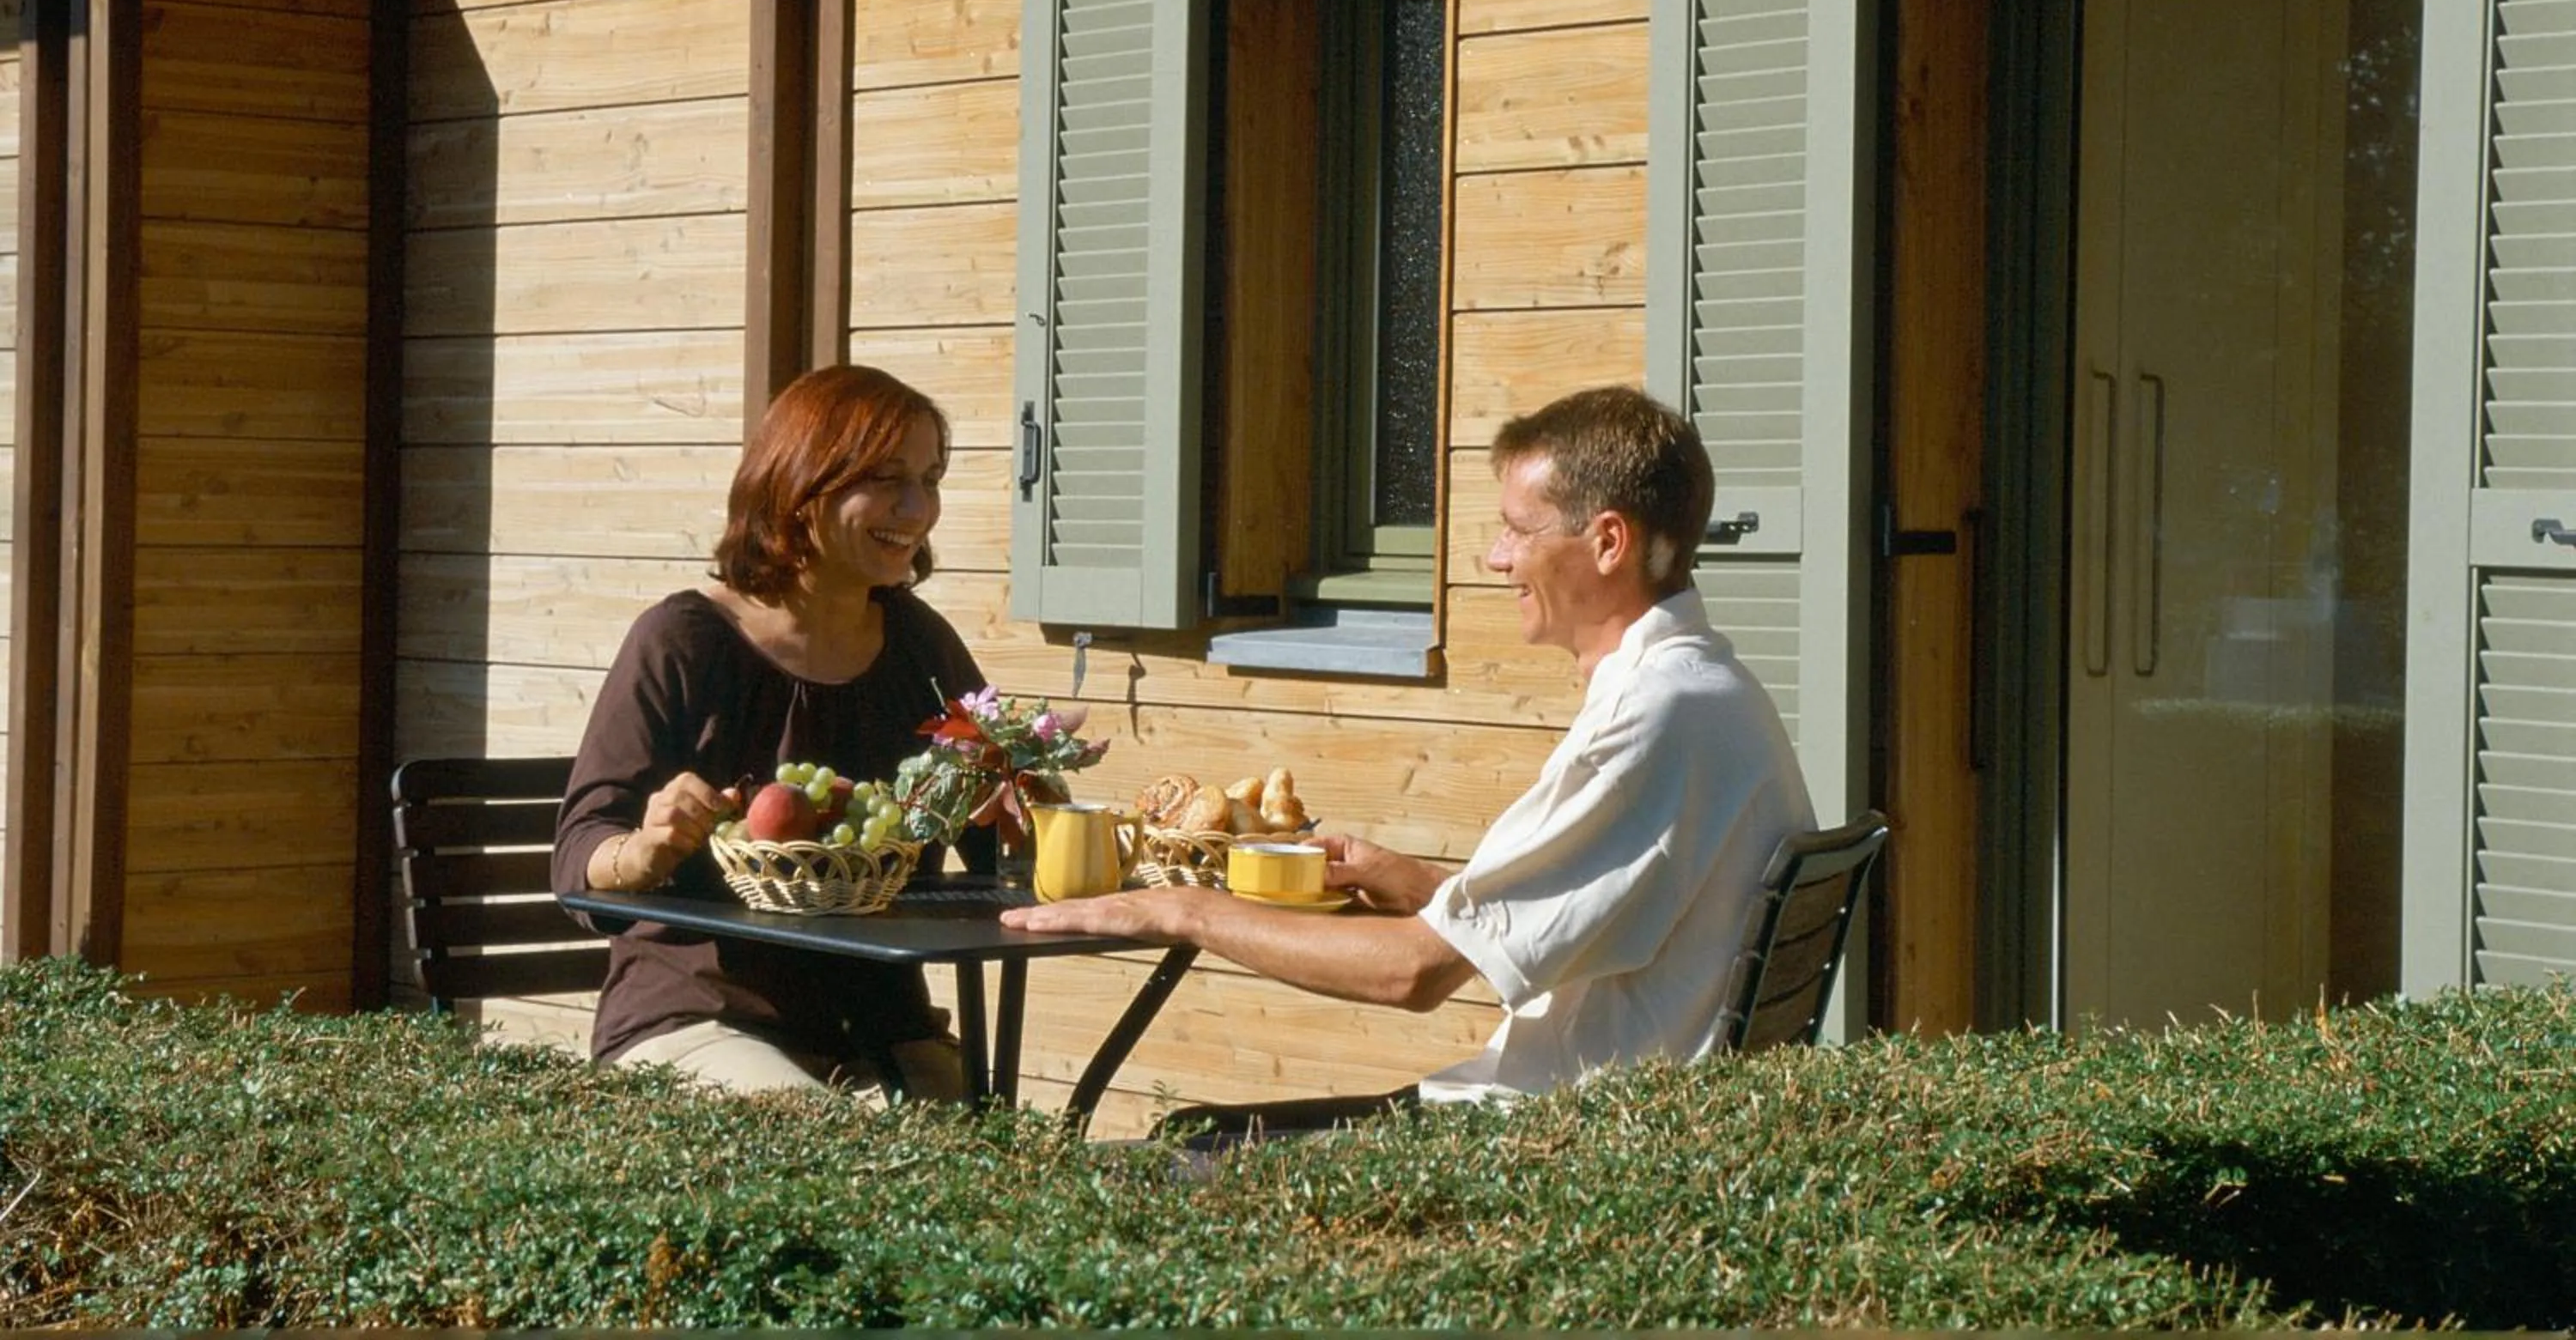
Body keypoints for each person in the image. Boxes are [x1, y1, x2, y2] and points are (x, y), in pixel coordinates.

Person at [1003, 384, 1816, 1116]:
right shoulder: (1704, 688)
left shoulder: (1651, 715)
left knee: (1192, 1142)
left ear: (1608, 542)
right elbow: (1609, 907)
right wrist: (1427, 886)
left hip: (1558, 1139)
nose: (1497, 559)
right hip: (1612, 1115)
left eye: (1515, 530)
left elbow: (1415, 975)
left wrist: (1179, 909)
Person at [552, 363, 993, 1100]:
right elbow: (578, 856)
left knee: (998, 1165)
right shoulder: (684, 640)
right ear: (800, 484)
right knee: (841, 1150)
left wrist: (1037, 805)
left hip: (883, 1031)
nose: (917, 508)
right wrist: (645, 847)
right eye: (886, 478)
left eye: (931, 478)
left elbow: (1000, 839)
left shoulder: (922, 647)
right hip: (699, 1021)